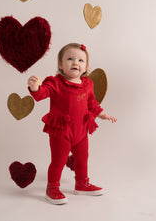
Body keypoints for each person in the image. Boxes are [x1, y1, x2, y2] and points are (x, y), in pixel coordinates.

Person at [28, 43, 117, 205]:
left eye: (81, 60)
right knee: (59, 161)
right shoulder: (55, 83)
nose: (75, 63)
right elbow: (42, 93)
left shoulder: (88, 84)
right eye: (70, 59)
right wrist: (35, 88)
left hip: (81, 130)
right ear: (60, 64)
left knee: (82, 158)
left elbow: (92, 103)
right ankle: (52, 188)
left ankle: (81, 183)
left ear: (86, 67)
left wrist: (102, 114)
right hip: (62, 131)